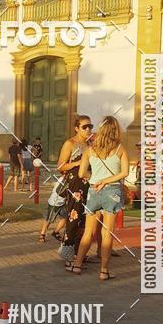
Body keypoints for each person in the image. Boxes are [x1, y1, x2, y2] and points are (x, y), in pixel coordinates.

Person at [69, 116, 128, 280]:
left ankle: (77, 265)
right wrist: (106, 181)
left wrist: (96, 179)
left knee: (88, 231)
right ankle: (103, 270)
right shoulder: (120, 149)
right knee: (107, 233)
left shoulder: (90, 150)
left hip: (94, 191)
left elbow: (81, 173)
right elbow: (124, 173)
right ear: (116, 131)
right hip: (112, 192)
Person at [54, 116, 94, 255]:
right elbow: (60, 166)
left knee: (85, 220)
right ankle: (67, 252)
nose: (88, 129)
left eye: (90, 126)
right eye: (85, 127)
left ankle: (79, 253)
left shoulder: (90, 144)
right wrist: (78, 163)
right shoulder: (70, 143)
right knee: (73, 218)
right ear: (77, 128)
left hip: (89, 185)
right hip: (75, 186)